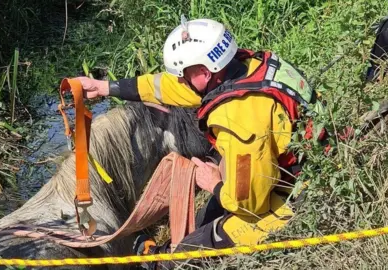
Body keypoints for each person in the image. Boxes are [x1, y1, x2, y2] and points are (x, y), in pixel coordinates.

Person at [74, 17, 325, 269]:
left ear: (205, 72)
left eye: (183, 73)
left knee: (187, 255)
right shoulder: (245, 65)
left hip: (297, 195)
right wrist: (105, 87)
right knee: (209, 213)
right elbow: (168, 87)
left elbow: (251, 206)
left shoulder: (239, 119)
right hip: (298, 163)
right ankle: (171, 245)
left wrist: (214, 184)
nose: (180, 80)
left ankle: (160, 262)